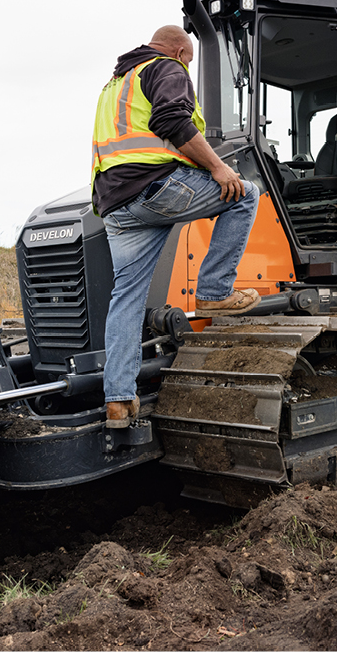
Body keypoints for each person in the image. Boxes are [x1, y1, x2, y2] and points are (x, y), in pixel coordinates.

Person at [92, 25, 260, 428]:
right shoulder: (167, 67)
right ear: (183, 51)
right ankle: (214, 293)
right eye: (189, 59)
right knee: (245, 193)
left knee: (127, 299)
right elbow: (173, 121)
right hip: (153, 188)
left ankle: (118, 399)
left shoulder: (115, 84)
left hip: (114, 204)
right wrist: (219, 167)